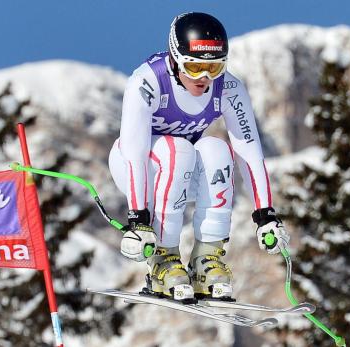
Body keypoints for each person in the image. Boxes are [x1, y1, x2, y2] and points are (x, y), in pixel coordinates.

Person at [108, 12, 289, 301]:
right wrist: (138, 219)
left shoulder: (228, 88)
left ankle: (207, 260)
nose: (204, 78)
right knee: (176, 149)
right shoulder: (147, 81)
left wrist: (266, 215)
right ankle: (163, 260)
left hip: (181, 172)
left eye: (214, 67)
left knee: (217, 149)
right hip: (136, 169)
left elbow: (249, 152)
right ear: (176, 58)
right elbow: (134, 153)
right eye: (194, 67)